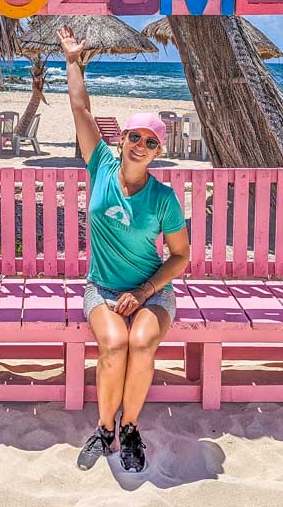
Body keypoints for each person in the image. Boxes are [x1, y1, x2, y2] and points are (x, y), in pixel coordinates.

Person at [59, 26, 190, 474]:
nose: (141, 146)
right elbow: (80, 108)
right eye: (135, 137)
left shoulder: (163, 198)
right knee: (114, 345)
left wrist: (148, 291)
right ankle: (102, 428)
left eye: (151, 142)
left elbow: (180, 256)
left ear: (158, 153)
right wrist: (73, 61)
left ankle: (129, 427)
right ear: (123, 139)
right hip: (103, 287)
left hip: (152, 290)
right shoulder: (101, 164)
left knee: (142, 340)